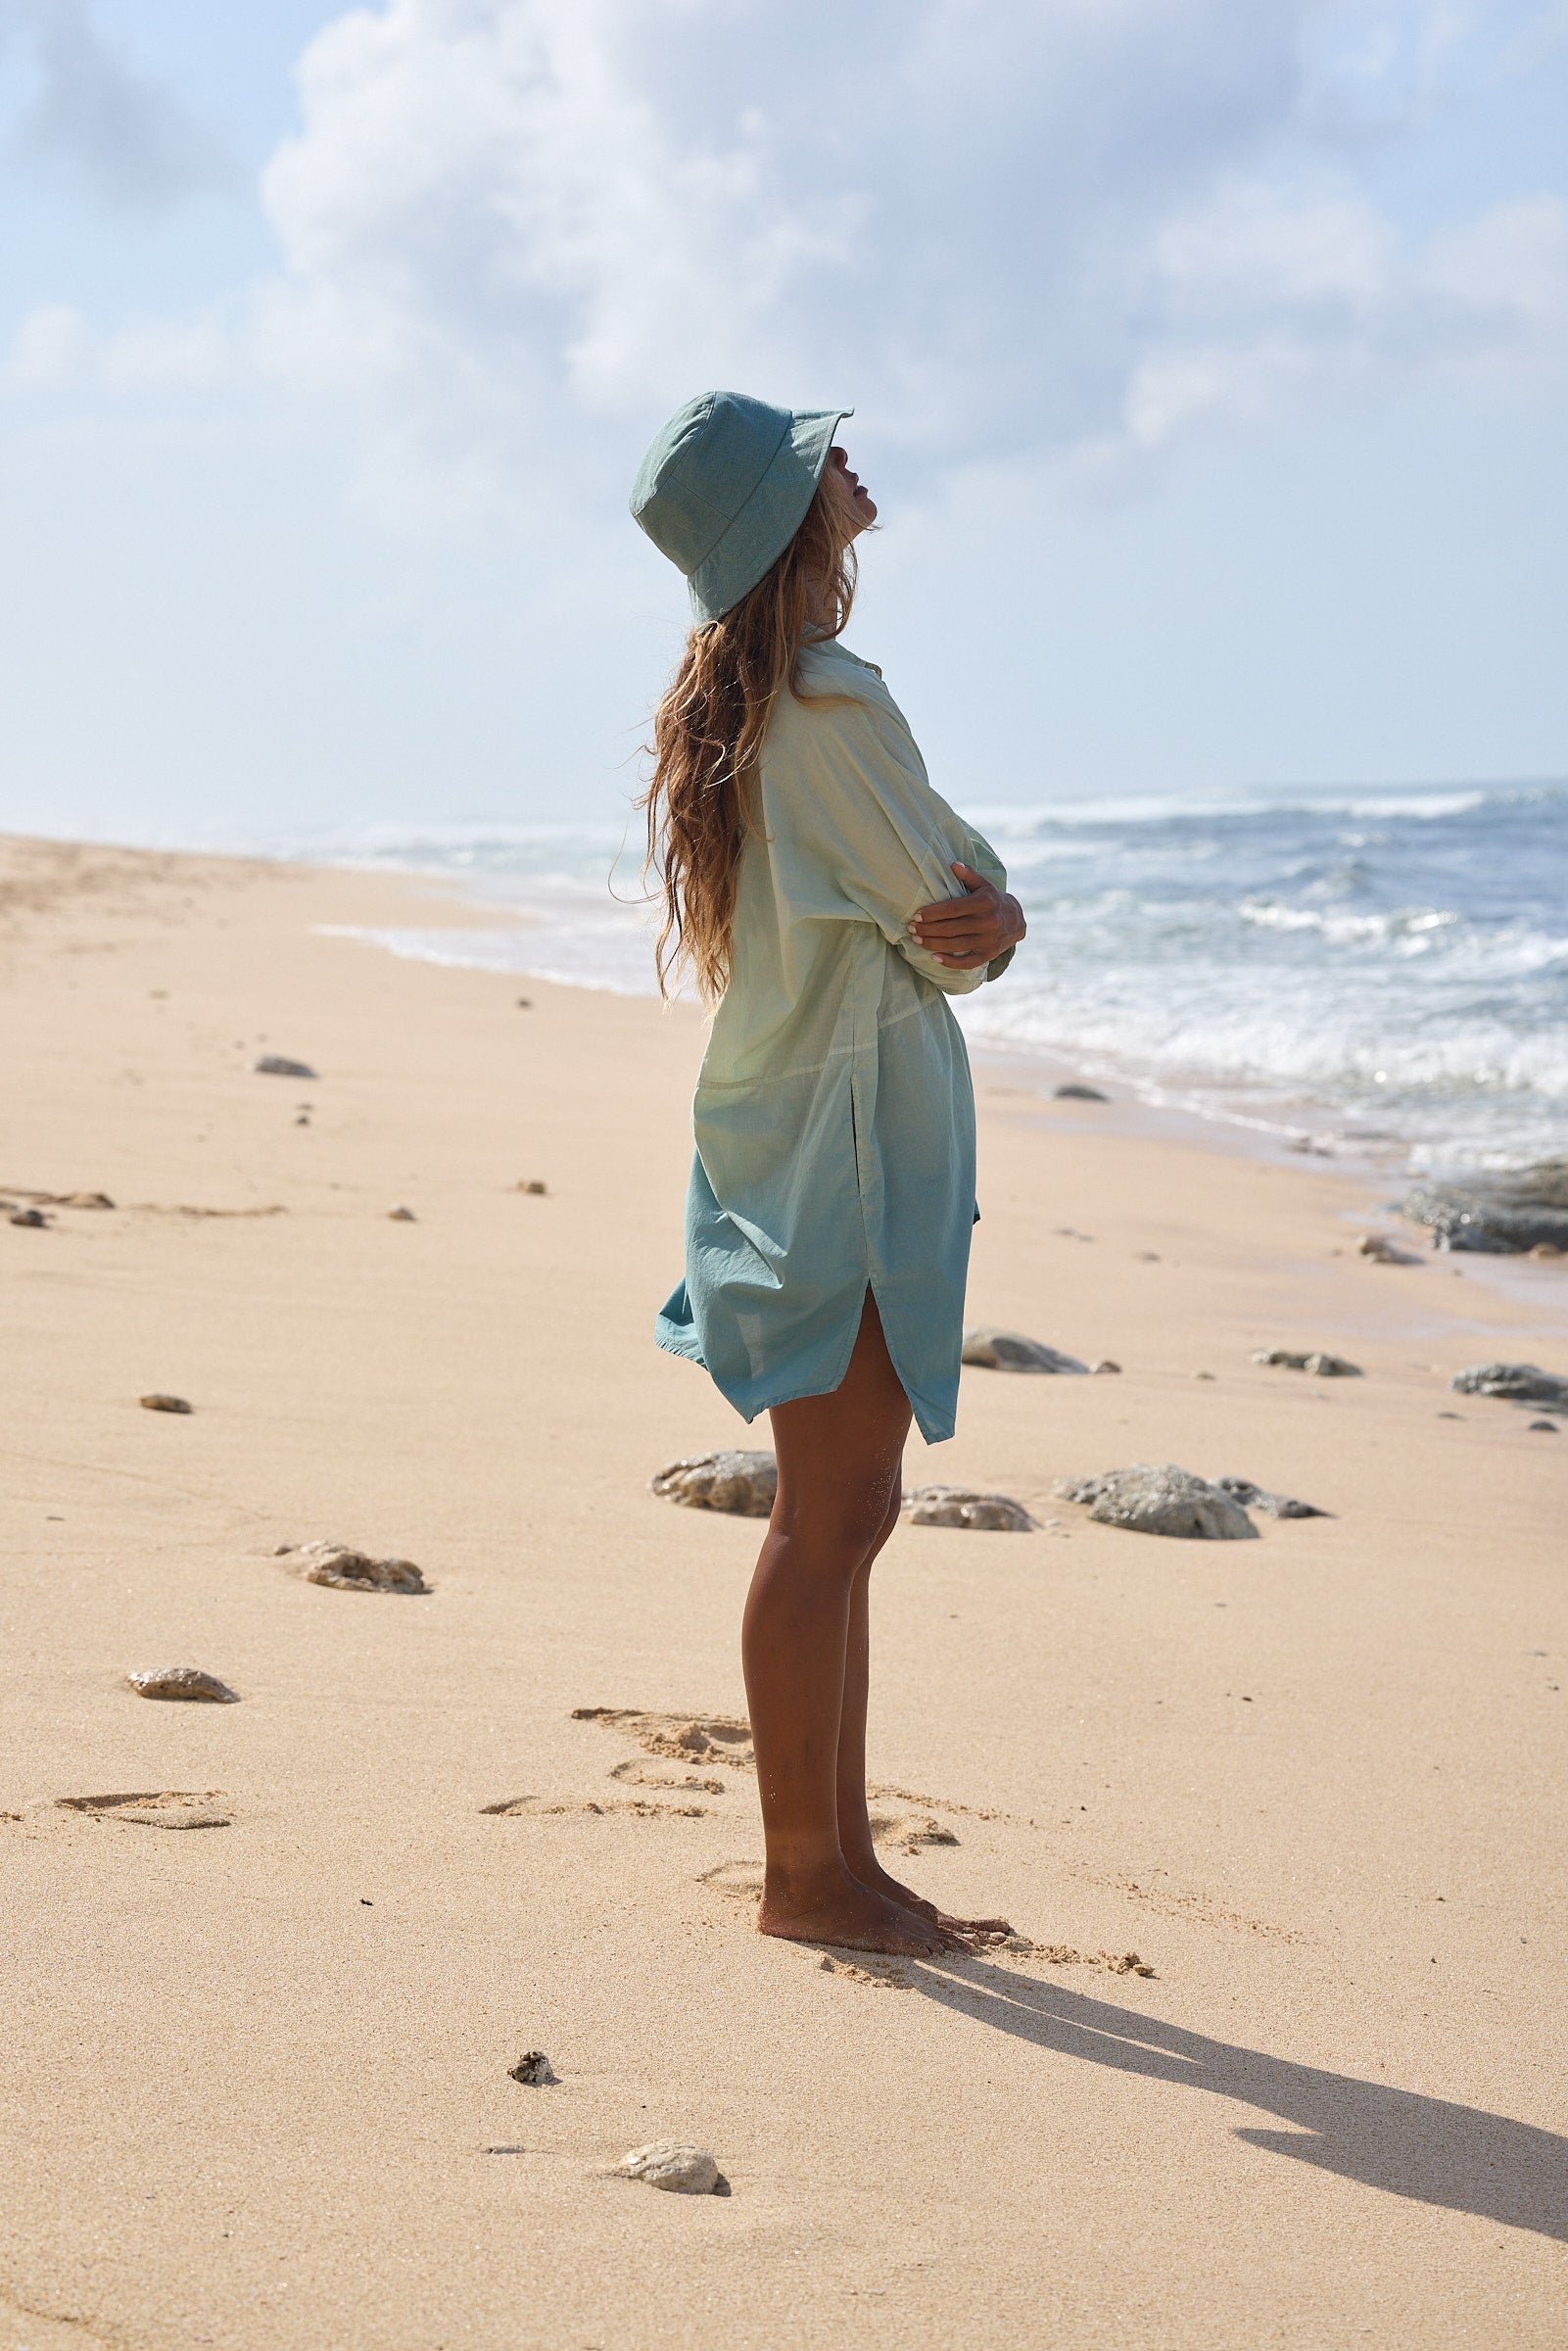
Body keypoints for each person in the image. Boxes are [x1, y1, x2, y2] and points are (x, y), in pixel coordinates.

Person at [631, 391, 1026, 1957]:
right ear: (777, 516)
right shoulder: (822, 708)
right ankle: (804, 1877)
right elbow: (949, 910)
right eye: (813, 458)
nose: (845, 460)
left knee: (843, 1510)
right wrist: (1001, 917)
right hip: (849, 1136)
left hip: (805, 1120)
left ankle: (841, 1863)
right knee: (833, 1512)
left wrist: (984, 911)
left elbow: (945, 899)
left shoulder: (772, 703)